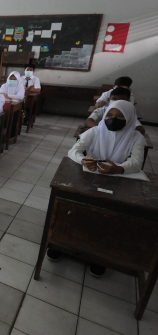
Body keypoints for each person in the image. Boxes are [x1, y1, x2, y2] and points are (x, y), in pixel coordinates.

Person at [50, 100, 146, 277]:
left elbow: (136, 162)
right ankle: (62, 244)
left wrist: (118, 168)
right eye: (109, 115)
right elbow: (74, 151)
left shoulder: (135, 137)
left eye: (119, 117)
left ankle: (97, 254)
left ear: (129, 118)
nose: (112, 119)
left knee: (105, 216)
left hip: (117, 180)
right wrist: (83, 160)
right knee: (73, 209)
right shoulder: (95, 131)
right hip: (89, 176)